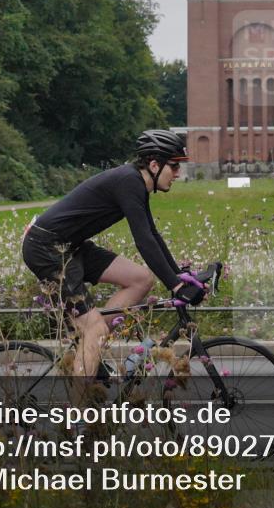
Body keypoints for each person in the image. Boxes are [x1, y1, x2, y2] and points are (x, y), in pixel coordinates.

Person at [21, 130, 206, 380]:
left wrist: (178, 276)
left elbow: (152, 234)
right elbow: (143, 241)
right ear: (154, 164)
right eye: (173, 166)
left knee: (141, 279)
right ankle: (79, 415)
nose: (177, 174)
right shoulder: (129, 182)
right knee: (94, 328)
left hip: (71, 246)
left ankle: (90, 348)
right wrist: (175, 285)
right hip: (47, 249)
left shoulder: (135, 183)